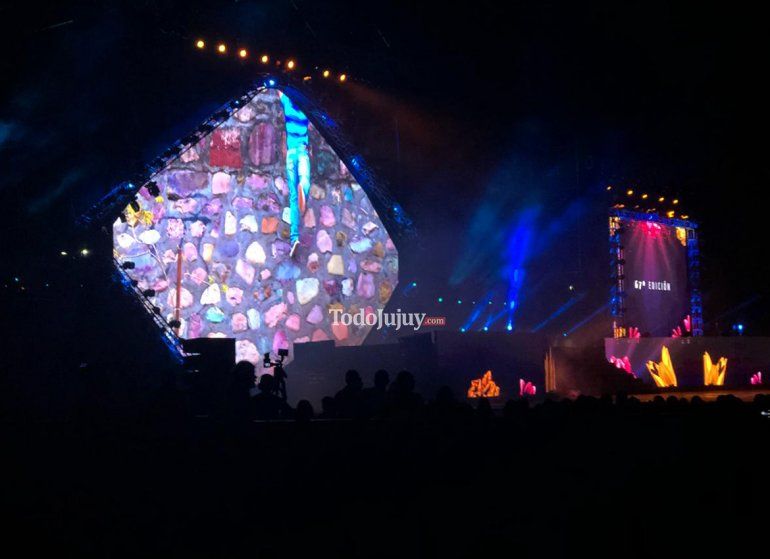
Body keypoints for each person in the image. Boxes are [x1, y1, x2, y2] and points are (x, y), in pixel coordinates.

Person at [278, 91, 311, 258]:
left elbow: (279, 90)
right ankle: (303, 190)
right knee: (305, 180)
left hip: (290, 155)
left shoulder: (287, 103)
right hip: (302, 152)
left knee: (292, 198)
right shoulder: (306, 110)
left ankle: (294, 238)